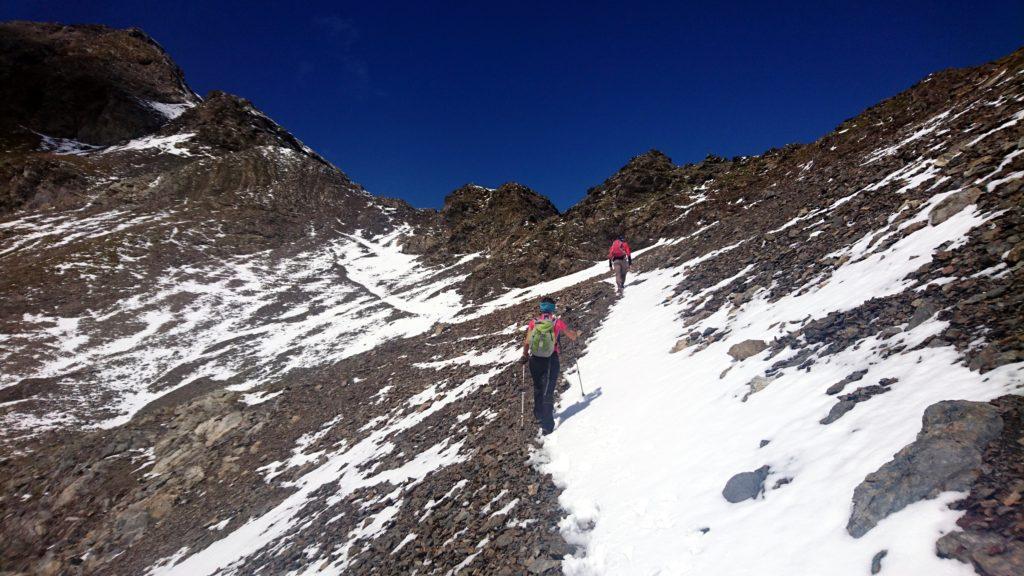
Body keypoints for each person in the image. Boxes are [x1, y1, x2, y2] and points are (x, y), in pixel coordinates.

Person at [520, 297, 580, 435]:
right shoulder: (556, 322)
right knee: (548, 390)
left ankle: (539, 415)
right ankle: (547, 425)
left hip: (535, 359)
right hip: (551, 359)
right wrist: (576, 334)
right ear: (552, 309)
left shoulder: (534, 322)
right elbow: (572, 336)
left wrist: (525, 355)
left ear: (541, 308)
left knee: (538, 387)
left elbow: (527, 341)